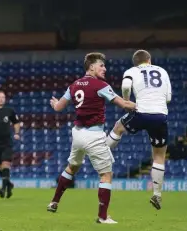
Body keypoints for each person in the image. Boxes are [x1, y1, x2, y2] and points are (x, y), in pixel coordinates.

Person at [46, 52, 136, 224]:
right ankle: (103, 217)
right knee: (106, 174)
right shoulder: (100, 85)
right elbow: (124, 104)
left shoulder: (74, 85)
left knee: (72, 168)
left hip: (77, 134)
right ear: (91, 67)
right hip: (93, 135)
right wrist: (144, 107)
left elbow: (58, 107)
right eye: (101, 65)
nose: (105, 68)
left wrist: (54, 103)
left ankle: (54, 201)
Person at [105, 49, 172, 210]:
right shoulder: (162, 71)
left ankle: (101, 154)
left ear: (135, 62)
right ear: (149, 60)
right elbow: (168, 98)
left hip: (141, 111)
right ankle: (157, 194)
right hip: (160, 116)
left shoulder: (132, 71)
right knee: (159, 156)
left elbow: (126, 85)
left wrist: (127, 101)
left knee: (118, 128)